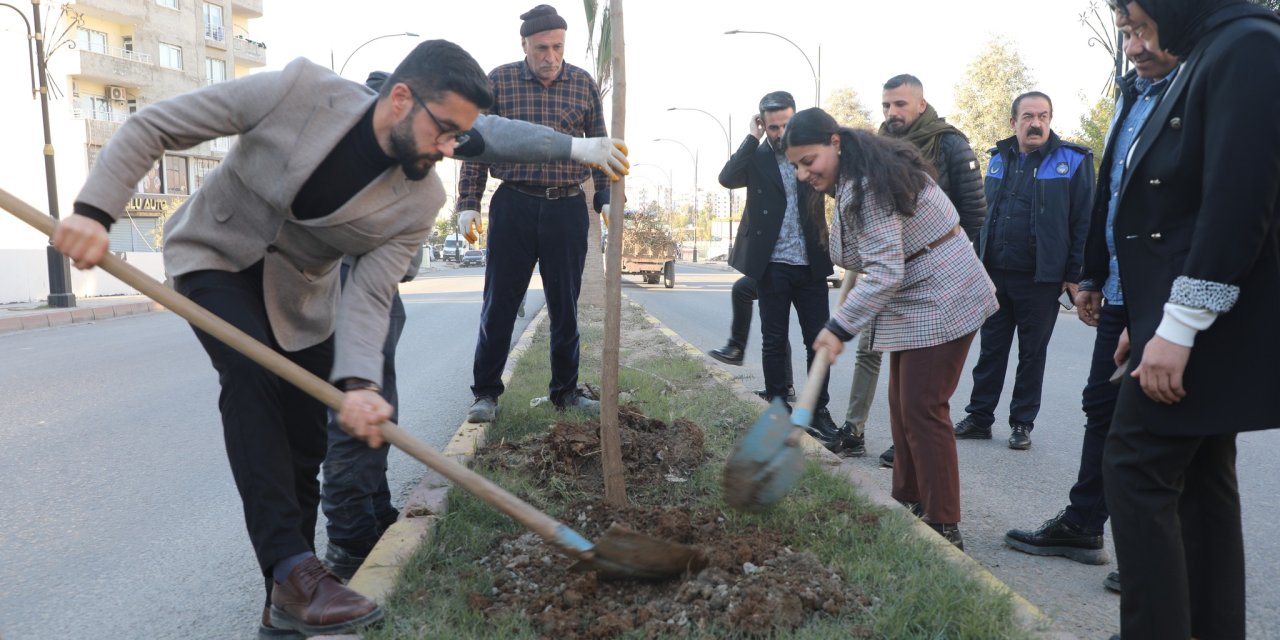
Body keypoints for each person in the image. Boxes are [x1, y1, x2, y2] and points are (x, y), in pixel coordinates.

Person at [52, 40, 492, 638]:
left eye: (459, 139)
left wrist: (359, 382)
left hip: (302, 299)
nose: (447, 149)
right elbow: (156, 125)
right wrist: (94, 211)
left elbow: (368, 294)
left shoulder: (421, 200)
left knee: (302, 446)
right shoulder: (298, 91)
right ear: (400, 98)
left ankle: (285, 602)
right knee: (249, 372)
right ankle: (292, 568)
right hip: (216, 256)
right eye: (444, 130)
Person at [319, 70, 628, 582]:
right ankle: (345, 547)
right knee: (342, 409)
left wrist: (587, 167)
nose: (442, 147)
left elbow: (492, 136)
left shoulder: (419, 180)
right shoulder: (329, 144)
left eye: (444, 138)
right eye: (436, 136)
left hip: (373, 279)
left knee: (376, 396)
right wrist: (356, 376)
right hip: (294, 283)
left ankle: (373, 519)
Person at [1098, 1, 1280, 637]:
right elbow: (1177, 214)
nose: (1137, 39)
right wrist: (1149, 319)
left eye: (1140, 23)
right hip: (1190, 316)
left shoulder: (1249, 47)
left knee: (1133, 466)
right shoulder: (1217, 49)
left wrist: (1176, 327)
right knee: (1202, 481)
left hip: (1208, 322)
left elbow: (1235, 204)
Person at [1002, 25, 1180, 594]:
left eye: (1142, 28)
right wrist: (1095, 276)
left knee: (1156, 425)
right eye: (1126, 30)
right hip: (1122, 291)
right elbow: (1113, 195)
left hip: (1169, 295)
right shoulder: (1132, 92)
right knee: (1102, 408)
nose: (1131, 44)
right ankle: (1083, 525)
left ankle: (1161, 561)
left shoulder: (1195, 88)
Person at [784, 108, 997, 549]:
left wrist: (839, 328)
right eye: (796, 166)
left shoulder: (870, 186)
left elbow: (884, 271)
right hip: (914, 294)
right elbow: (873, 260)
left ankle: (943, 524)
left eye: (809, 160)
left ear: (835, 142)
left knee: (923, 406)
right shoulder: (852, 178)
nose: (804, 173)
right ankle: (910, 502)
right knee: (902, 405)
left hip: (944, 292)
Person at [459, 4, 613, 423]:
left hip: (567, 206)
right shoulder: (499, 81)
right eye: (541, 47)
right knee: (500, 304)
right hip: (514, 204)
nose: (550, 56)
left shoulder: (583, 84)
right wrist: (468, 202)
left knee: (565, 306)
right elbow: (475, 143)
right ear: (524, 44)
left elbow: (601, 146)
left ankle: (565, 392)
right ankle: (485, 393)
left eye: (558, 47)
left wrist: (606, 199)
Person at [839, 73, 988, 463]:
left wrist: (947, 257)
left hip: (931, 269)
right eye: (886, 105)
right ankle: (853, 428)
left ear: (921, 104)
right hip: (883, 257)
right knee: (870, 346)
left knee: (921, 378)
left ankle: (908, 439)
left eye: (900, 104)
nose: (891, 112)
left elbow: (973, 210)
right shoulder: (880, 144)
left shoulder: (949, 142)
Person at [955, 91, 1094, 450]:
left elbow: (1084, 222)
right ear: (1013, 122)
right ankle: (980, 417)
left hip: (1041, 278)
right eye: (1029, 116)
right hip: (995, 273)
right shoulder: (999, 158)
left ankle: (1022, 424)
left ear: (1050, 119)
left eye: (1043, 116)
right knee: (991, 350)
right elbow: (981, 213)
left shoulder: (1072, 161)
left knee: (1032, 354)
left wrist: (1075, 274)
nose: (1036, 123)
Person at [718, 90, 845, 452]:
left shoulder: (810, 155)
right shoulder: (757, 158)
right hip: (771, 265)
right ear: (763, 124)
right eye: (772, 126)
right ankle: (777, 406)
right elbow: (727, 178)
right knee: (773, 341)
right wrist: (751, 137)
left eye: (785, 125)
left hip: (811, 264)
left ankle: (819, 411)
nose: (779, 132)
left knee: (816, 341)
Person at [707, 274, 795, 402]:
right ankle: (786, 386)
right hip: (785, 269)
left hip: (785, 271)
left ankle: (736, 348)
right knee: (775, 327)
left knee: (741, 289)